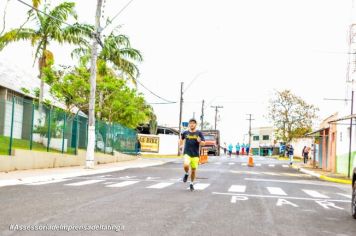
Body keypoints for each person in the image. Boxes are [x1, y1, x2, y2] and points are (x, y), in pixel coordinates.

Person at [180, 118, 205, 191]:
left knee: (193, 171)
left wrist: (200, 142)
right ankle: (187, 173)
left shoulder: (199, 133)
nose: (192, 124)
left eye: (193, 123)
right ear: (189, 124)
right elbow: (181, 139)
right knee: (186, 165)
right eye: (190, 123)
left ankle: (191, 183)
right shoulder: (185, 133)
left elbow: (204, 143)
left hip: (195, 155)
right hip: (187, 153)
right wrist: (181, 146)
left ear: (196, 124)